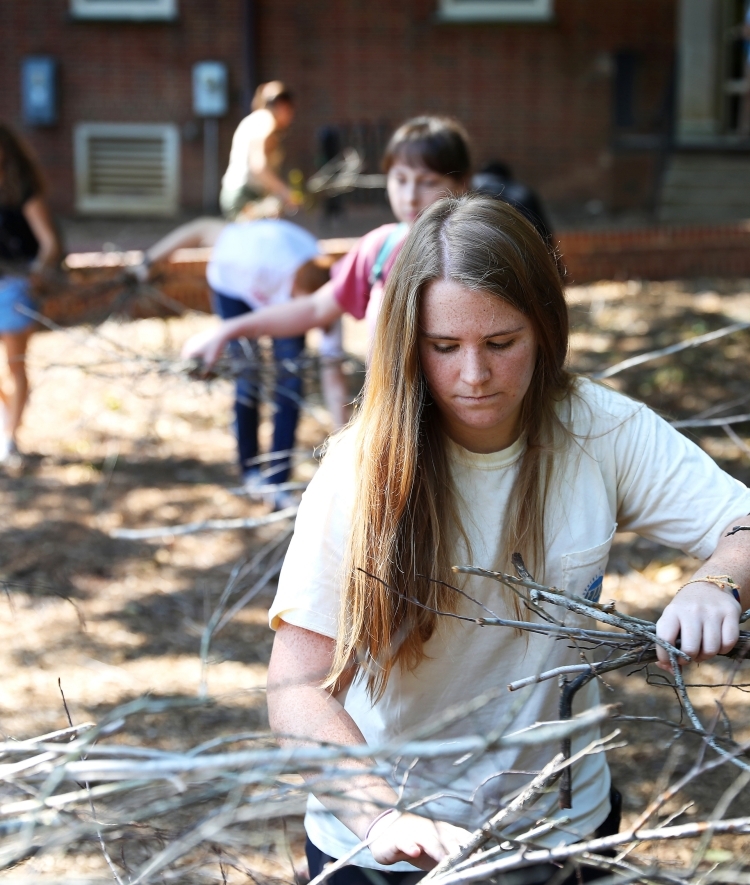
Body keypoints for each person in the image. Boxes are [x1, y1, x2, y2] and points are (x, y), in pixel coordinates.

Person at [265, 194, 750, 885]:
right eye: (444, 347)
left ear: (545, 329)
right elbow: (295, 687)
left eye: (500, 342)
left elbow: (743, 520)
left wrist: (717, 579)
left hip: (561, 832)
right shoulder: (358, 470)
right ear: (409, 344)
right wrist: (383, 815)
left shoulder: (600, 430)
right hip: (387, 842)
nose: (474, 375)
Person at [181, 116, 472, 369]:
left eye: (428, 181)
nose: (410, 196)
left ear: (461, 184)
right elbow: (314, 309)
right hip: (397, 419)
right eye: (400, 179)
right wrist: (226, 331)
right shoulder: (379, 249)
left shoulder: (481, 250)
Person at [0, 124, 61, 467]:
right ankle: (6, 420)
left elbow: (48, 242)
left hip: (14, 288)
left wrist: (36, 276)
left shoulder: (22, 192)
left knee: (15, 366)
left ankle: (10, 437)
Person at [220, 81, 298, 219]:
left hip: (237, 192)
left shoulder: (255, 120)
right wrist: (285, 192)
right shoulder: (266, 120)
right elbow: (258, 166)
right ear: (283, 106)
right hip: (244, 195)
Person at [472, 161, 553, 247]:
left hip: (483, 244)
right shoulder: (523, 191)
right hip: (521, 244)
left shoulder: (472, 186)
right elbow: (542, 229)